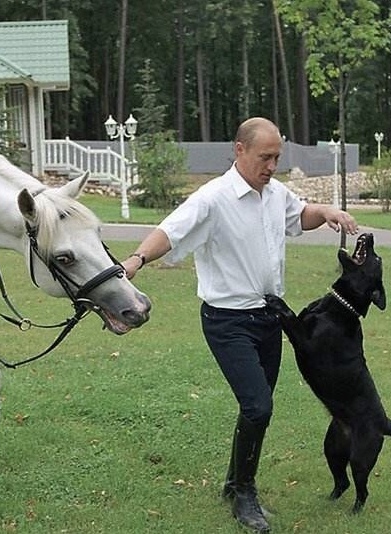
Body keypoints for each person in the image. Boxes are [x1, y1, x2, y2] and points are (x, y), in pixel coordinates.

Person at [122, 117, 358, 533]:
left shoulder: (274, 193)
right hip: (227, 322)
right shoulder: (212, 199)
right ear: (240, 150)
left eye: (277, 157)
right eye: (265, 157)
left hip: (271, 318)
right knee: (258, 406)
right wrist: (137, 260)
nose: (272, 165)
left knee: (256, 408)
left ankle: (234, 483)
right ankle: (244, 494)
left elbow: (299, 215)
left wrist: (326, 211)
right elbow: (170, 232)